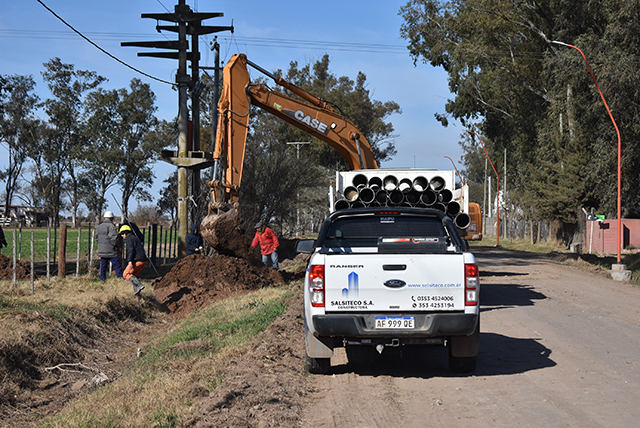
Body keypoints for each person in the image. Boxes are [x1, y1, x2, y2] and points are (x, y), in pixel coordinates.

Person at [119, 224, 147, 295]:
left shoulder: (129, 239)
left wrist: (129, 261)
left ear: (125, 232)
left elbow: (130, 250)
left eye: (122, 234)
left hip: (138, 260)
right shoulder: (134, 237)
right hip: (143, 261)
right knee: (133, 276)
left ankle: (140, 285)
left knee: (125, 274)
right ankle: (137, 293)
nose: (122, 236)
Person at [96, 211, 123, 281]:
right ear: (111, 218)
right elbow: (114, 238)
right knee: (117, 266)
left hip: (102, 251)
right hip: (111, 251)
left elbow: (96, 238)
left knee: (103, 266)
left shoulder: (99, 227)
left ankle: (102, 280)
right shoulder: (111, 226)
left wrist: (101, 245)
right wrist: (115, 245)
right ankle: (120, 279)